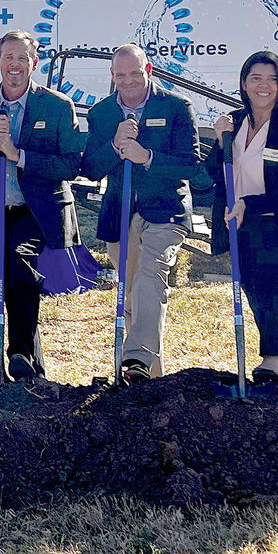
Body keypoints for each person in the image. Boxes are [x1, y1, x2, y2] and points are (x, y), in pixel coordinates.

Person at [0, 30, 83, 380]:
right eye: (9, 57)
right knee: (16, 278)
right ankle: (31, 366)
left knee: (17, 262)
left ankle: (18, 352)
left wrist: (18, 155)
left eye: (22, 58)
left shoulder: (57, 106)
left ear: (35, 62)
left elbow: (71, 165)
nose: (15, 65)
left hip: (38, 210)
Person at [81, 44, 201, 384]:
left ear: (148, 70)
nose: (129, 81)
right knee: (133, 293)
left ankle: (135, 358)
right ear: (112, 76)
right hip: (120, 213)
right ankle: (148, 379)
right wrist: (115, 146)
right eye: (121, 75)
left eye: (135, 73)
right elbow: (90, 168)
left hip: (165, 211)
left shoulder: (176, 106)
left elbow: (191, 165)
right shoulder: (102, 113)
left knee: (150, 276)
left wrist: (147, 157)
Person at [206, 50, 278, 382]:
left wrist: (252, 204)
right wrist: (220, 142)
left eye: (272, 79)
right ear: (244, 84)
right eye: (256, 78)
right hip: (238, 222)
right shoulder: (235, 122)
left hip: (277, 221)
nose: (264, 86)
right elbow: (214, 174)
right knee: (256, 295)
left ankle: (272, 358)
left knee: (269, 287)